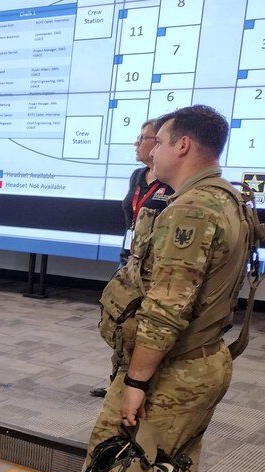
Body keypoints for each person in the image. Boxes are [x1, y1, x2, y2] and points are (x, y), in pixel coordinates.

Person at [1, 105, 257, 472]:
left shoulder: (191, 210)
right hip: (203, 365)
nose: (152, 150)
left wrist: (136, 382)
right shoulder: (228, 201)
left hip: (169, 373)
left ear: (182, 145)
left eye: (159, 141)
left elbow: (167, 309)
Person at [91, 119, 174, 398]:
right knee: (119, 319)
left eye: (144, 138)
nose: (138, 145)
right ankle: (116, 380)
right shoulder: (138, 176)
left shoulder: (172, 183)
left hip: (152, 267)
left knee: (142, 324)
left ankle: (136, 382)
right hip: (128, 258)